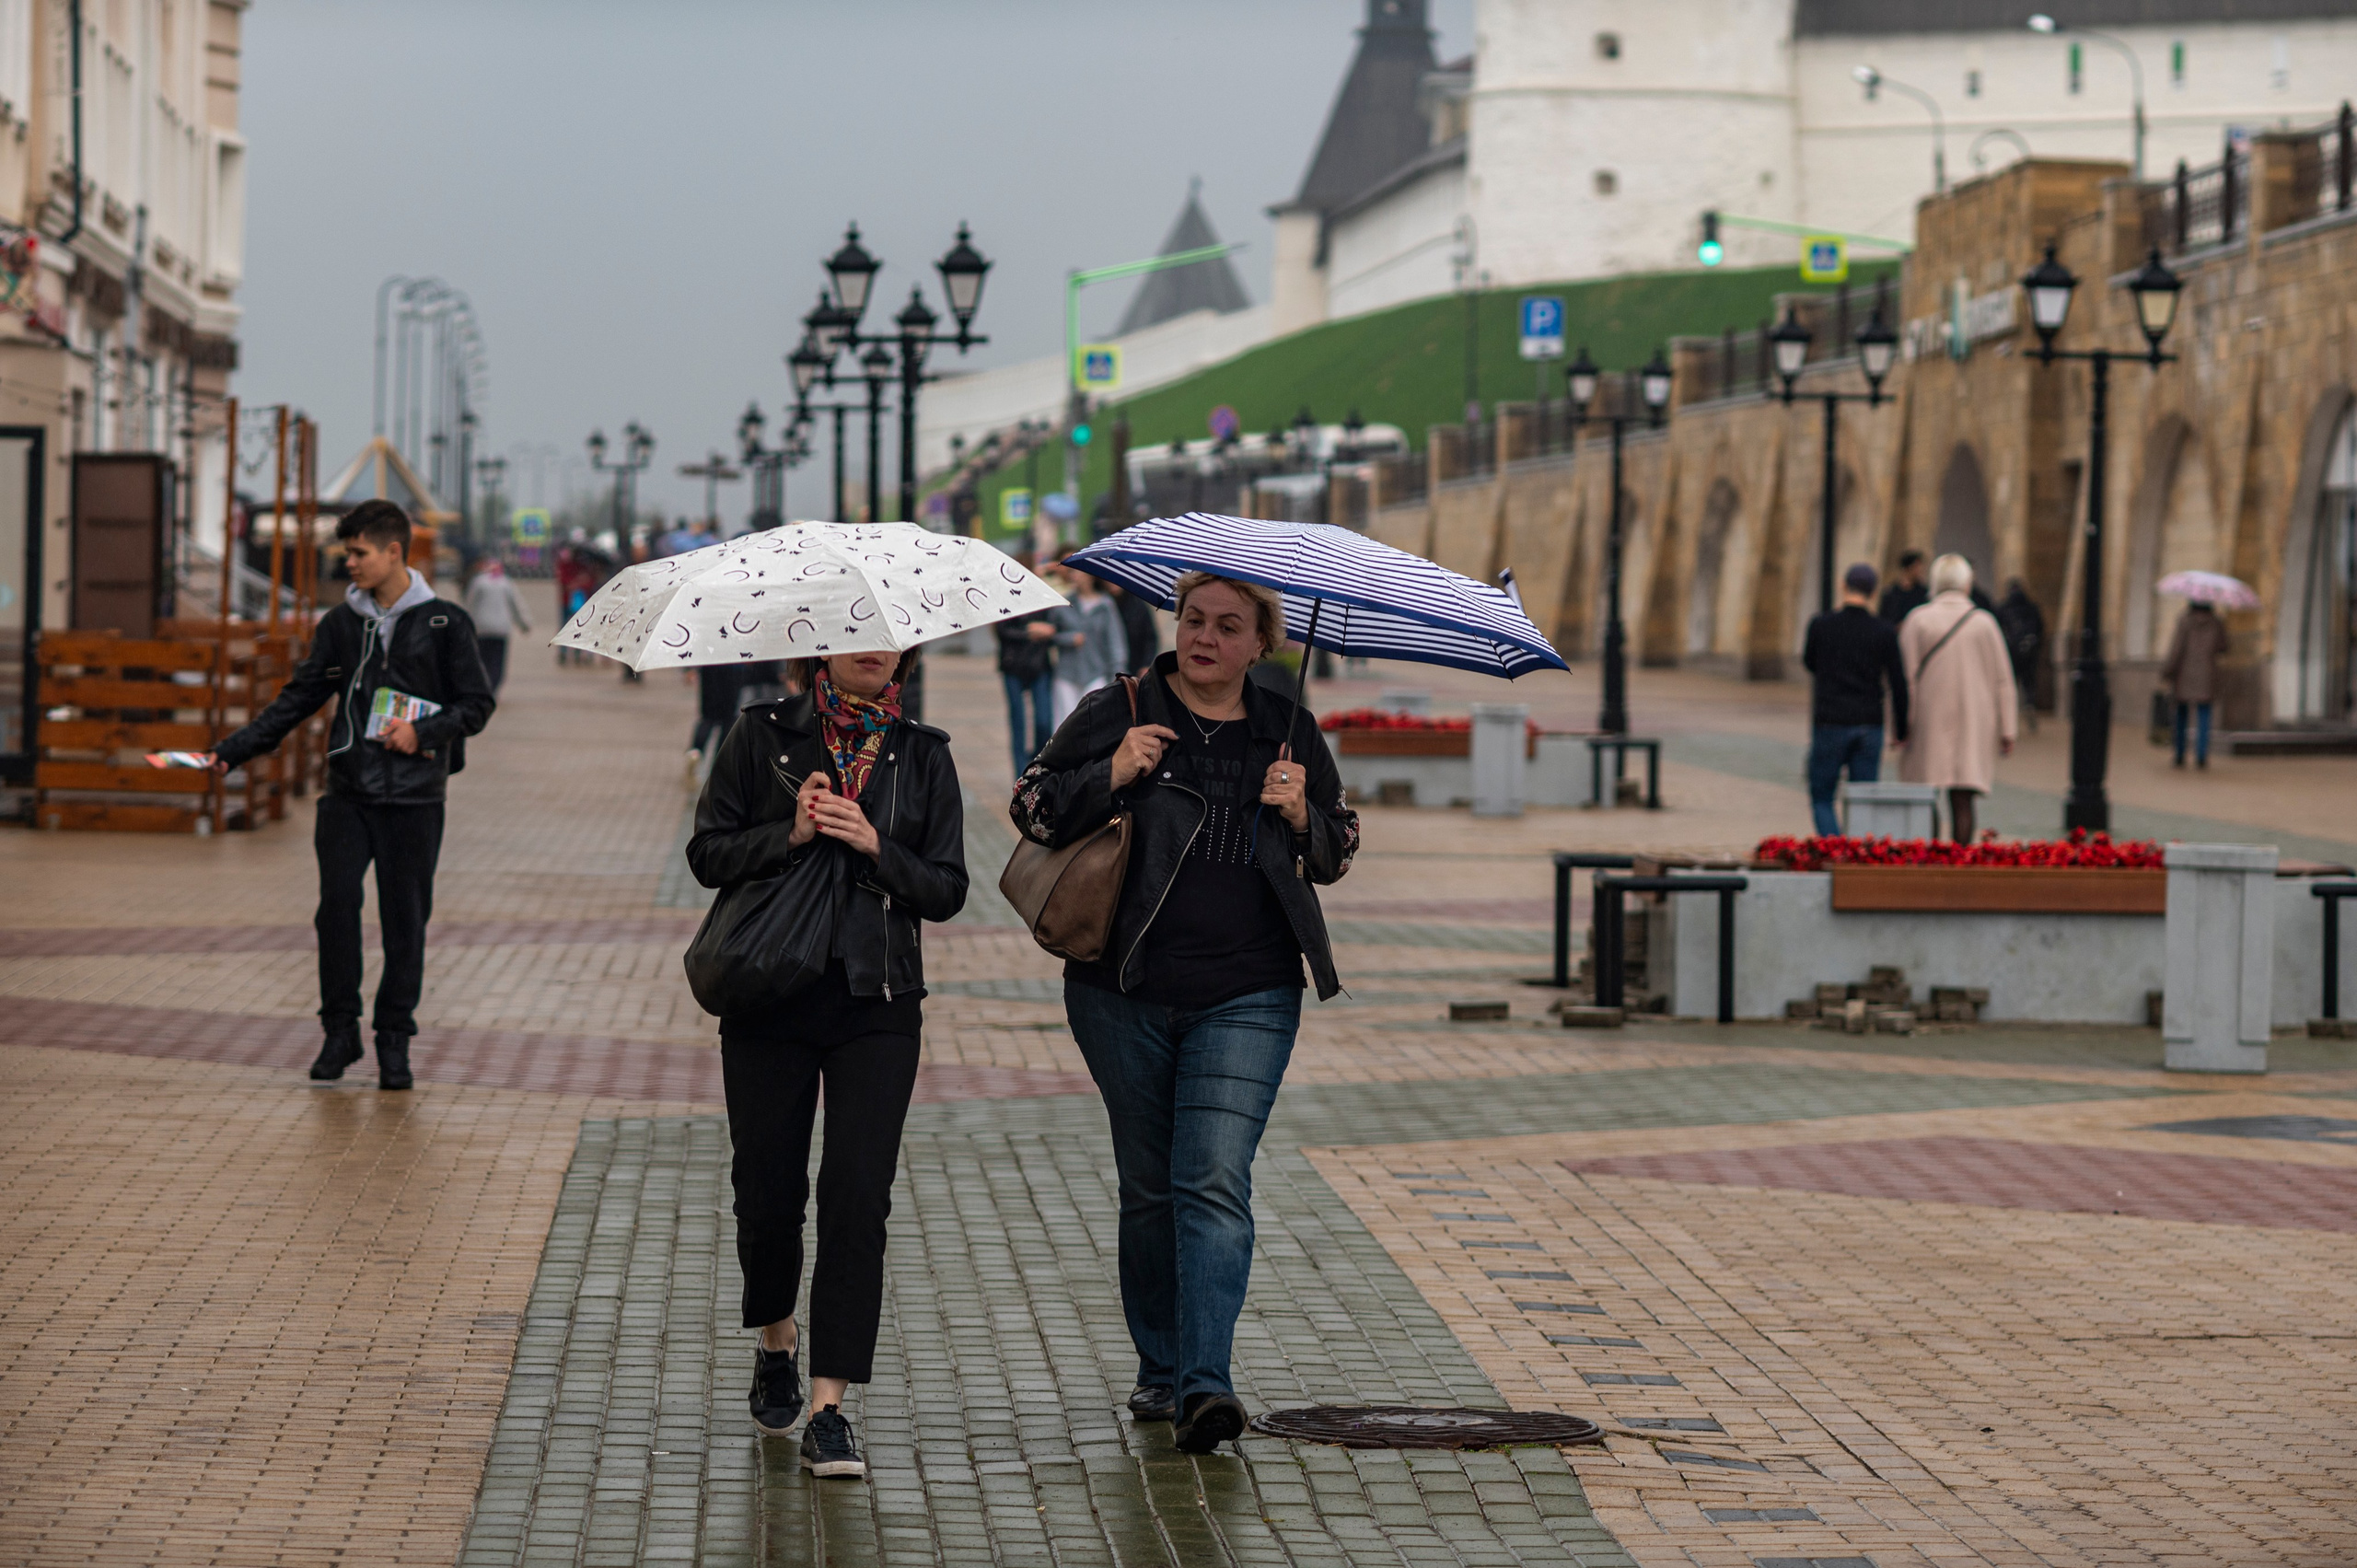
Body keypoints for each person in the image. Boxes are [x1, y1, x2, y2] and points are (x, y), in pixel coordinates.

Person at [1009, 573, 1360, 1454]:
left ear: (1260, 642)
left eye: (1228, 626)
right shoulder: (1118, 705)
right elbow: (1031, 804)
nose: (1205, 637)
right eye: (1194, 620)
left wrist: (1303, 811)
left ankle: (1208, 1383)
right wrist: (1110, 772)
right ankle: (1160, 1367)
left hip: (1250, 989)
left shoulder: (1292, 727)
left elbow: (1340, 848)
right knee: (1151, 1185)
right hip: (1121, 987)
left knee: (1211, 1176)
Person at [687, 645, 968, 1477]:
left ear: (907, 651)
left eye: (886, 630)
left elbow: (947, 888)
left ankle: (830, 1405)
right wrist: (793, 831)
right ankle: (776, 1334)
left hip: (877, 1002)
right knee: (767, 1192)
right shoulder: (759, 735)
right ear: (821, 642)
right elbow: (708, 853)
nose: (870, 644)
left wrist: (878, 844)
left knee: (856, 1196)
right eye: (854, 626)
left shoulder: (925, 753)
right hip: (770, 994)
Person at [203, 501, 496, 1089]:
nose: (349, 564)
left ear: (395, 551)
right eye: (347, 553)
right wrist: (233, 749)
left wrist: (423, 731)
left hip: (416, 799)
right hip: (347, 793)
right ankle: (340, 1033)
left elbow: (477, 705)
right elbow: (299, 698)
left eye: (359, 553)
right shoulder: (341, 625)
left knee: (404, 922)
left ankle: (394, 1040)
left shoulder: (446, 623)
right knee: (336, 910)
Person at [1897, 553, 2015, 843]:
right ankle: (1960, 861)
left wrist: (1901, 726)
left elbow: (1905, 679)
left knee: (1926, 794)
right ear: (1966, 584)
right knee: (1963, 799)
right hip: (1973, 719)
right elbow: (2003, 680)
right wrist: (2008, 729)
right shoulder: (1984, 623)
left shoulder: (1918, 619)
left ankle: (1932, 857)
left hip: (1928, 719)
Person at [1800, 563, 1910, 838]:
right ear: (1873, 593)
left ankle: (1834, 848)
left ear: (1842, 585)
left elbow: (1809, 662)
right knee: (1863, 799)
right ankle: (1857, 858)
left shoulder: (1821, 625)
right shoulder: (1884, 631)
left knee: (1822, 796)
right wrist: (1902, 729)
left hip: (1830, 719)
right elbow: (1899, 682)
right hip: (1868, 722)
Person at [1048, 561, 1130, 726]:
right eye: (1072, 573)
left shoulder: (1105, 605)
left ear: (1090, 576)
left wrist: (1118, 675)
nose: (1075, 576)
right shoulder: (1064, 604)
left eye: (1079, 573)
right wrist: (1069, 639)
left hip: (1095, 672)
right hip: (1067, 673)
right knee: (1064, 725)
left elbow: (1116, 643)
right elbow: (1050, 635)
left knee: (1094, 723)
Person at [997, 581, 1058, 782]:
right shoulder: (1006, 597)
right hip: (1013, 665)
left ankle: (1038, 770)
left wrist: (1047, 630)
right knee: (1018, 725)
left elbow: (1053, 627)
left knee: (1043, 722)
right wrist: (1029, 633)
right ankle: (1020, 779)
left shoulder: (1044, 596)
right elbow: (1002, 630)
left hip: (1039, 665)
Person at [689, 658, 784, 781]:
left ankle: (694, 753)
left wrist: (690, 669)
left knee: (708, 718)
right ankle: (718, 764)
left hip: (710, 667)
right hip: (734, 668)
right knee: (728, 720)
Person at [2161, 598, 2229, 769]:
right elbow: (2224, 647)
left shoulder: (2185, 621)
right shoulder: (2216, 622)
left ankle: (2179, 754)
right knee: (2204, 716)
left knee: (2181, 715)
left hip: (2184, 674)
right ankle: (2201, 755)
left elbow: (2176, 649)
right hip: (2207, 675)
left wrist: (2168, 671)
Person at [463, 558, 530, 692]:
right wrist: (524, 624)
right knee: (497, 661)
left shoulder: (478, 582)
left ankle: (484, 685)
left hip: (481, 628)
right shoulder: (506, 583)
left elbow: (470, 604)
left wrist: (464, 625)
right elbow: (516, 605)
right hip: (501, 629)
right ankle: (493, 686)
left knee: (482, 659)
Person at [1993, 577, 2046, 728]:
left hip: (2010, 652)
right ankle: (2029, 704)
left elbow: (1998, 629)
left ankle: (2010, 713)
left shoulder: (2004, 608)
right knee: (2029, 683)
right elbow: (2040, 628)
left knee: (2010, 683)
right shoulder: (2031, 607)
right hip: (2029, 653)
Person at [1113, 580, 1159, 678]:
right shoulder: (1102, 603)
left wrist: (1146, 665)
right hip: (1108, 668)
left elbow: (1150, 638)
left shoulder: (1137, 605)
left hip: (1135, 664)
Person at [1877, 549, 1929, 625]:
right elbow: (1883, 618)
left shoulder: (1923, 593)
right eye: (1916, 567)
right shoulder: (1891, 593)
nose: (1920, 570)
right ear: (1908, 568)